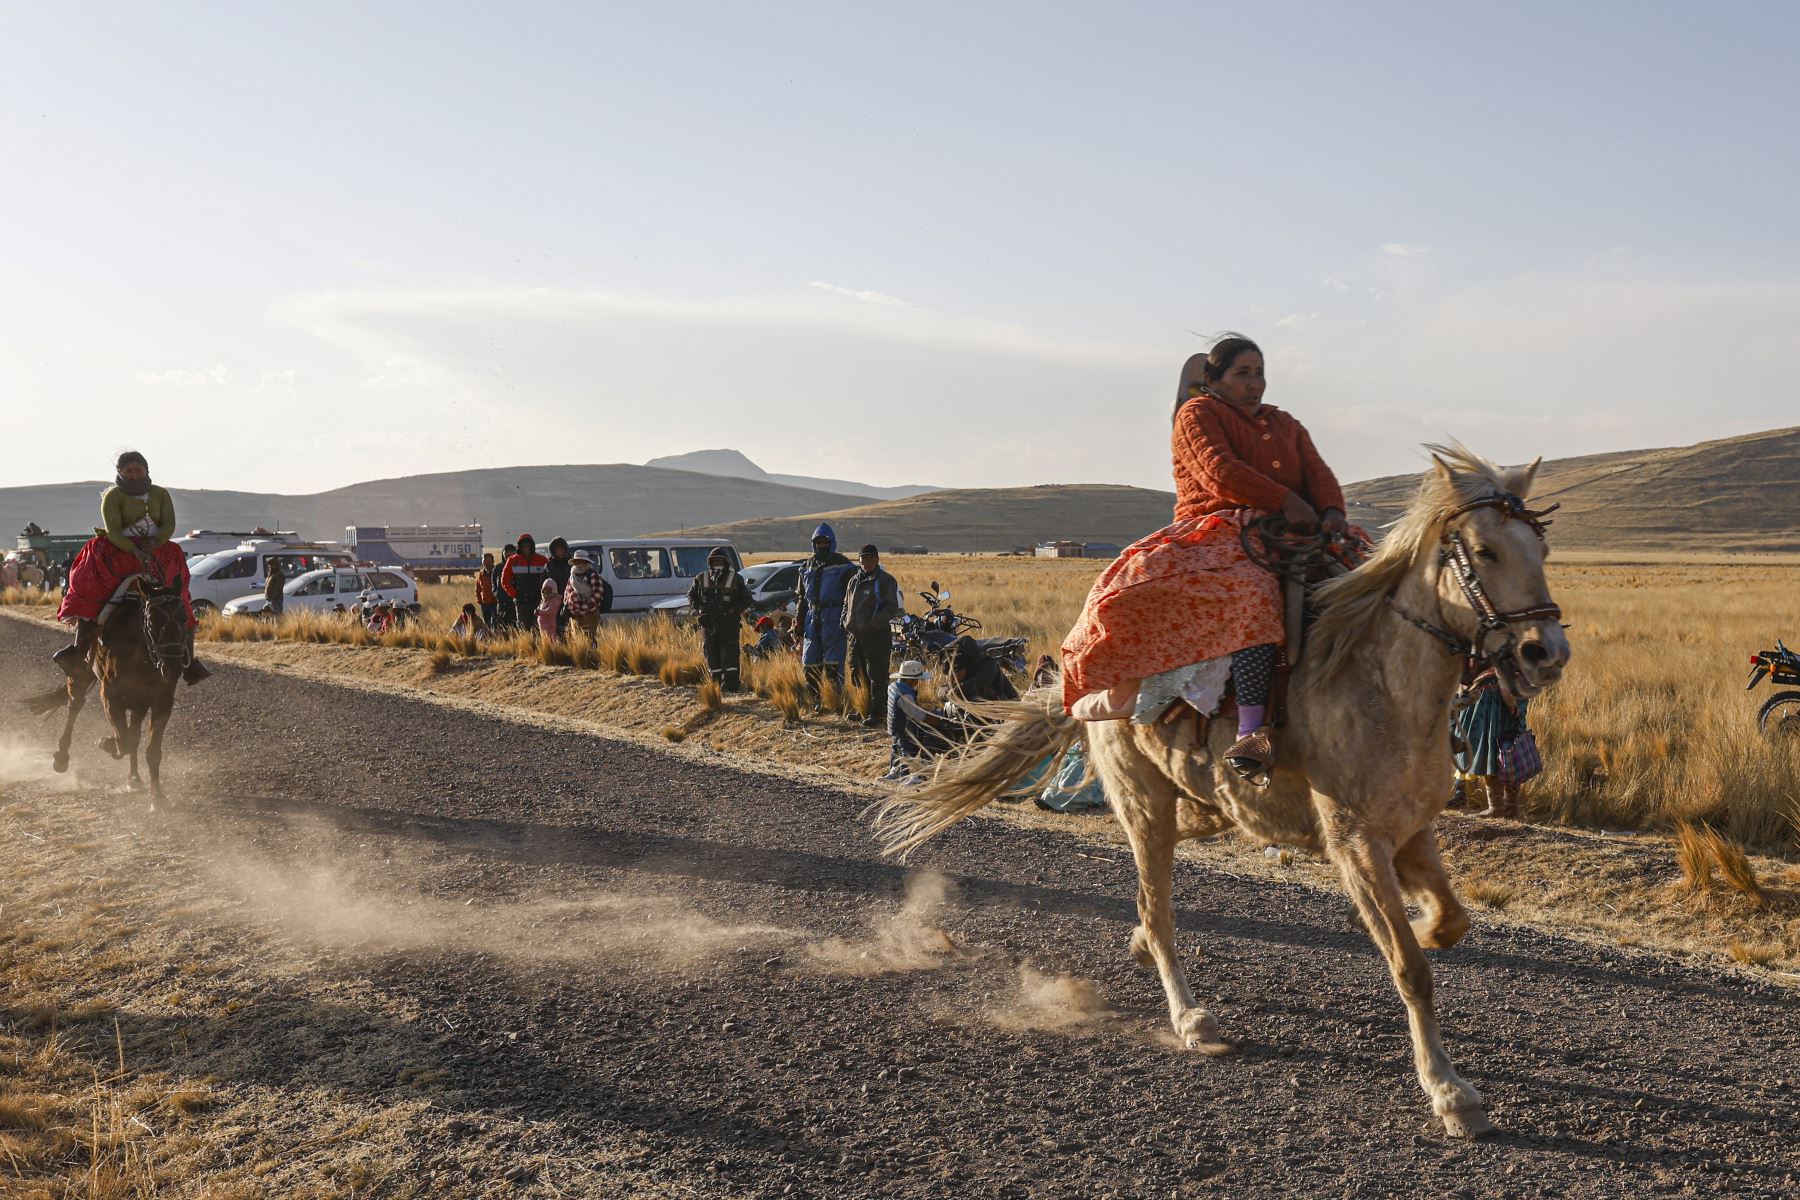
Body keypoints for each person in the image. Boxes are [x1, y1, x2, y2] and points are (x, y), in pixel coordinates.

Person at [1060, 335, 1349, 781]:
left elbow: (1319, 473)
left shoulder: (1285, 423)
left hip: (1294, 531)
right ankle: (1252, 730)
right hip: (1219, 528)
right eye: (1242, 374)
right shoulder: (1197, 414)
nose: (1255, 384)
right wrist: (1285, 499)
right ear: (1213, 380)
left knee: (1375, 583)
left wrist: (1331, 511)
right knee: (1250, 593)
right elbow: (1221, 472)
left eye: (1259, 374)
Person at [53, 449, 209, 685]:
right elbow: (113, 530)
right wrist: (134, 549)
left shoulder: (161, 495)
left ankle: (188, 661)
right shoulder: (113, 496)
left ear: (147, 471)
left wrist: (155, 542)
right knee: (91, 593)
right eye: (129, 471)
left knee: (177, 600)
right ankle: (79, 651)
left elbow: (169, 524)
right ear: (120, 473)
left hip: (158, 551)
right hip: (119, 551)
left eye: (138, 470)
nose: (134, 474)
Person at [1451, 667, 1535, 818]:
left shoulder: (1495, 643)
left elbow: (1500, 669)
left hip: (1494, 698)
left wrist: (1509, 701)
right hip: (1513, 691)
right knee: (1510, 750)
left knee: (1491, 753)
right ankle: (1511, 807)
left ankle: (1497, 808)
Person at [794, 523, 855, 711]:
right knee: (810, 661)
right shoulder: (806, 566)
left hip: (834, 617)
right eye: (818, 542)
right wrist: (798, 621)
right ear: (813, 543)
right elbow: (801, 598)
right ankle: (813, 699)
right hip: (812, 617)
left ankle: (834, 700)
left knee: (833, 661)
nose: (821, 545)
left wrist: (849, 620)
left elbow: (852, 595)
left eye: (825, 541)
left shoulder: (844, 564)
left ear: (831, 542)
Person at [842, 544, 903, 726]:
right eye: (863, 558)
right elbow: (846, 604)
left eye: (870, 558)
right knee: (857, 673)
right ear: (859, 559)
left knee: (876, 675)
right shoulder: (854, 580)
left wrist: (872, 624)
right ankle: (863, 709)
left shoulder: (885, 580)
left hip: (876, 636)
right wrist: (844, 622)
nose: (866, 562)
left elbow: (891, 608)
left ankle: (878, 715)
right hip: (854, 636)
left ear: (877, 559)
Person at [687, 547, 753, 692]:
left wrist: (733, 610)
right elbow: (691, 595)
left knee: (729, 655)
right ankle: (715, 686)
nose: (718, 564)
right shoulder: (700, 578)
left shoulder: (735, 578)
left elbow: (747, 599)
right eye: (714, 561)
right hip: (708, 624)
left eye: (720, 561)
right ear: (709, 562)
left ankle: (730, 687)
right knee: (711, 655)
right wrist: (699, 608)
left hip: (728, 624)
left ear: (726, 563)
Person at [883, 660, 958, 783]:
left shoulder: (893, 687)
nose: (918, 683)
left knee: (896, 748)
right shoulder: (905, 695)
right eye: (917, 680)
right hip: (905, 728)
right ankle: (903, 775)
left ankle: (894, 771)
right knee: (906, 751)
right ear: (912, 680)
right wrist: (936, 721)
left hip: (893, 725)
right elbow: (916, 714)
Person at [502, 535, 549, 629]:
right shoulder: (512, 560)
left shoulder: (542, 560)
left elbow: (549, 579)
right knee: (523, 627)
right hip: (521, 601)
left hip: (538, 600)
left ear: (532, 546)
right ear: (520, 547)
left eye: (528, 546)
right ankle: (525, 643)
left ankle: (538, 644)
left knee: (538, 626)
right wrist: (515, 594)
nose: (526, 548)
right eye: (524, 546)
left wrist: (545, 594)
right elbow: (505, 580)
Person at [563, 549, 610, 635]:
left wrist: (585, 606)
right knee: (577, 641)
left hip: (590, 613)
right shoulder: (572, 576)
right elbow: (567, 593)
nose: (579, 563)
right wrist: (570, 607)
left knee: (591, 639)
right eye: (577, 561)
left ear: (586, 562)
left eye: (581, 561)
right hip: (575, 616)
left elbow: (598, 594)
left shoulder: (592, 574)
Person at [545, 537, 573, 634]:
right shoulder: (549, 564)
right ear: (554, 550)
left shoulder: (571, 563)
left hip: (570, 599)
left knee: (570, 625)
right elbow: (543, 583)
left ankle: (572, 646)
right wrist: (545, 597)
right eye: (558, 549)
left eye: (562, 548)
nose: (560, 551)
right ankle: (559, 646)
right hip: (553, 599)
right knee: (555, 625)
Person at [493, 544, 517, 630]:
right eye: (507, 552)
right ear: (503, 554)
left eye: (511, 552)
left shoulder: (518, 567)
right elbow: (493, 583)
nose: (509, 554)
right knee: (502, 626)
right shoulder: (498, 568)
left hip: (514, 602)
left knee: (515, 626)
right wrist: (496, 593)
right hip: (501, 603)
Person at [475, 552, 498, 628]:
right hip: (484, 603)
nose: (486, 563)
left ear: (493, 561)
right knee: (486, 623)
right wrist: (479, 600)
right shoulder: (481, 574)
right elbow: (478, 588)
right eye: (484, 561)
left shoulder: (497, 572)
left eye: (489, 561)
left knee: (495, 622)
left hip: (495, 603)